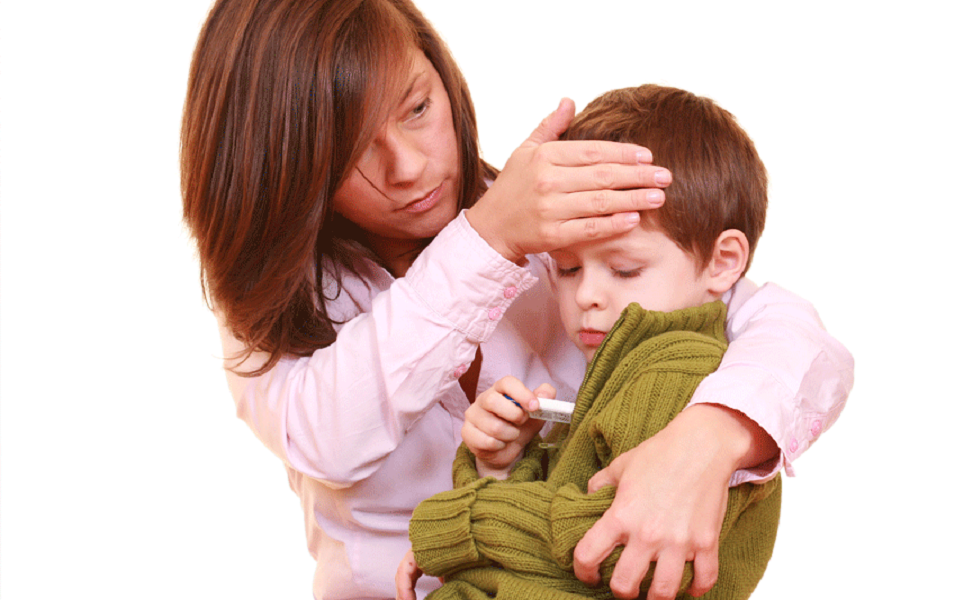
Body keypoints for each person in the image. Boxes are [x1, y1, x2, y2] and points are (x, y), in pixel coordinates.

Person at [179, 1, 854, 599]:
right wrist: (489, 240)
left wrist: (711, 437)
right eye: (350, 147)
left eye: (417, 109)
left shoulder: (568, 223)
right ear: (283, 163)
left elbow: (781, 328)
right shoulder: (270, 299)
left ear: (443, 78)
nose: (407, 167)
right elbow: (329, 436)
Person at [400, 84, 787, 600]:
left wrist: (455, 527)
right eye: (567, 268)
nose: (587, 295)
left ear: (723, 262)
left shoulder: (676, 372)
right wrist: (504, 466)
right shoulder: (621, 370)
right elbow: (560, 528)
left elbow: (606, 550)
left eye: (624, 269)